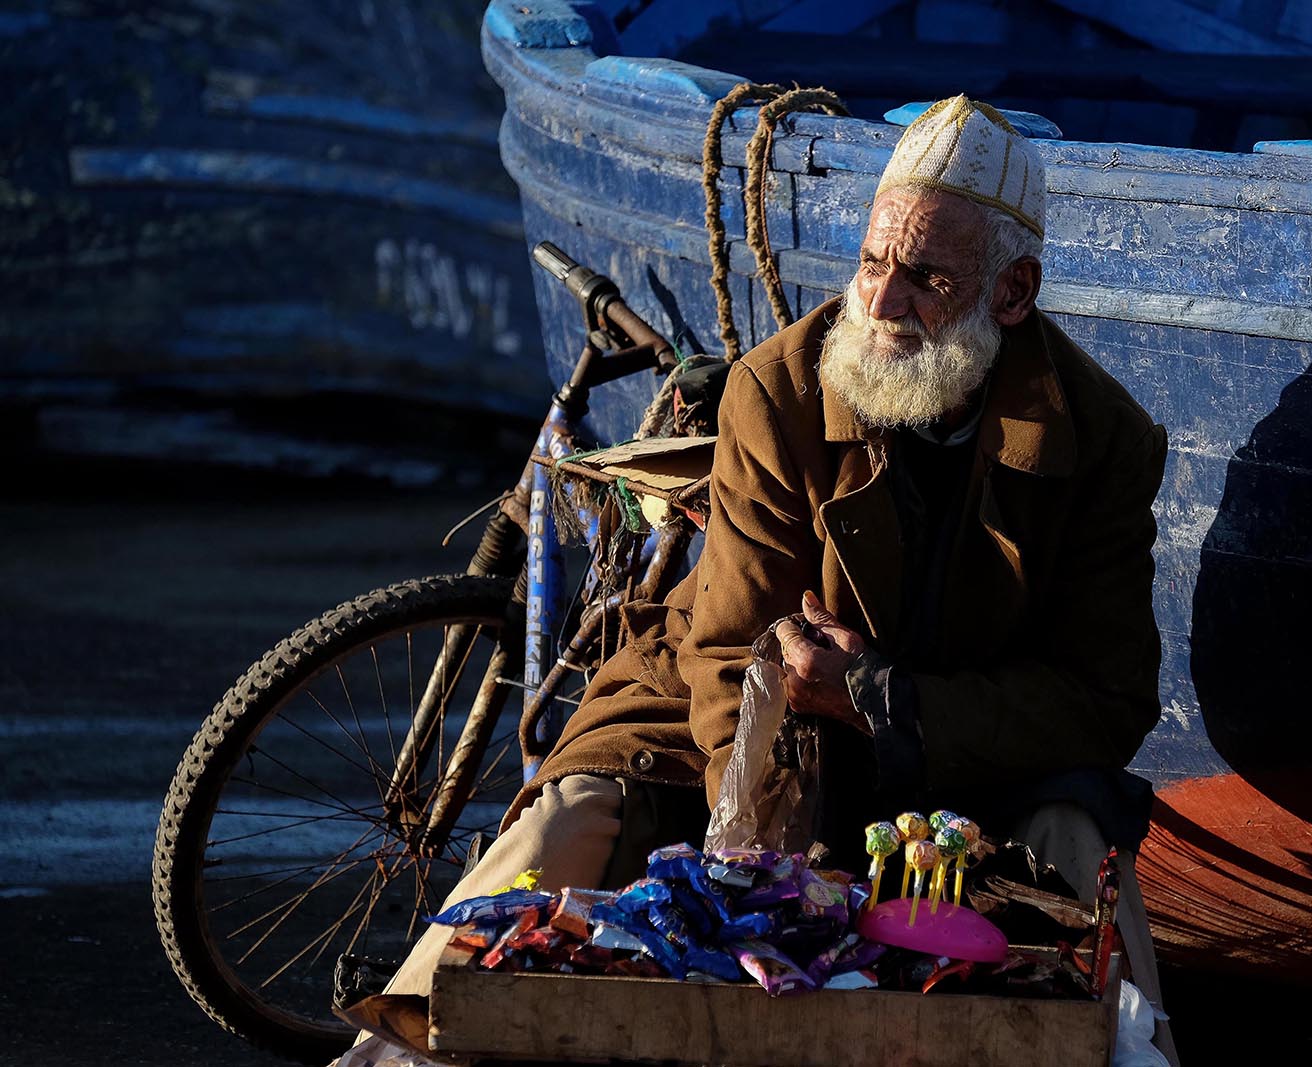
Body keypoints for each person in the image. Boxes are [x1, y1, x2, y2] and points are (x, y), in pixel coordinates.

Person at [353, 94, 1176, 1063]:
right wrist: (770, 878)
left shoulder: (1104, 440)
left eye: (926, 277)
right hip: (732, 725)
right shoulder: (779, 388)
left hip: (969, 773)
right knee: (575, 812)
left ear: (1011, 292)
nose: (880, 301)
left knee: (1077, 832)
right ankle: (400, 1043)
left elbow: (1104, 697)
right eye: (872, 262)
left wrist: (888, 703)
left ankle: (1144, 1052)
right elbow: (724, 650)